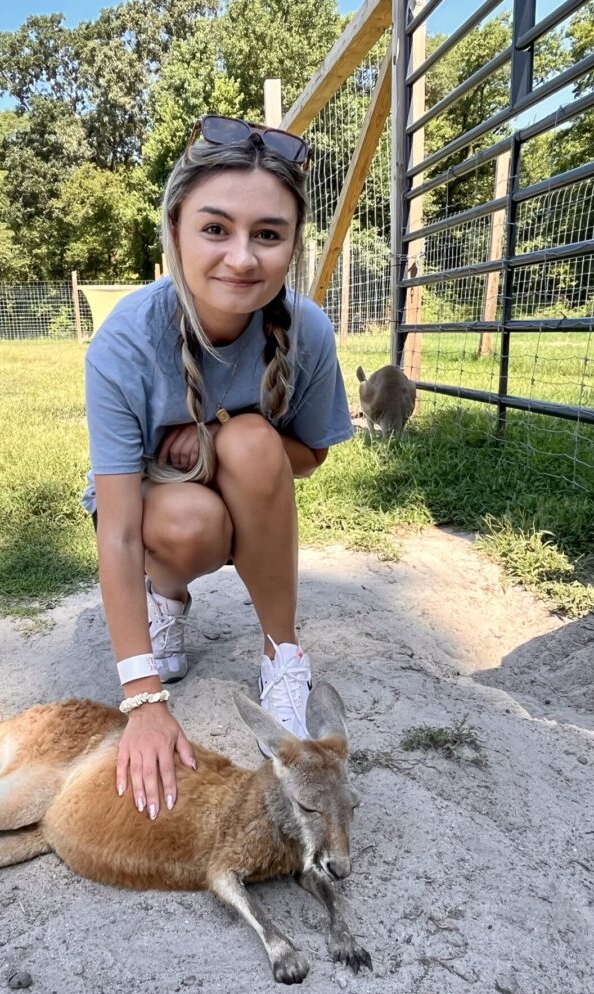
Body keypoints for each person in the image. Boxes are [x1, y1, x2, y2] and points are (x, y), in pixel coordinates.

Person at [82, 114, 352, 822]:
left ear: (293, 245)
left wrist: (218, 430)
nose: (242, 257)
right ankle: (165, 604)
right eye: (215, 229)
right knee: (187, 515)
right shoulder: (125, 343)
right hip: (163, 513)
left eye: (268, 233)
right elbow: (115, 530)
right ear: (173, 231)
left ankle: (282, 657)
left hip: (249, 482)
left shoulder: (307, 332)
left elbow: (310, 459)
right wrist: (141, 698)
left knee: (256, 440)